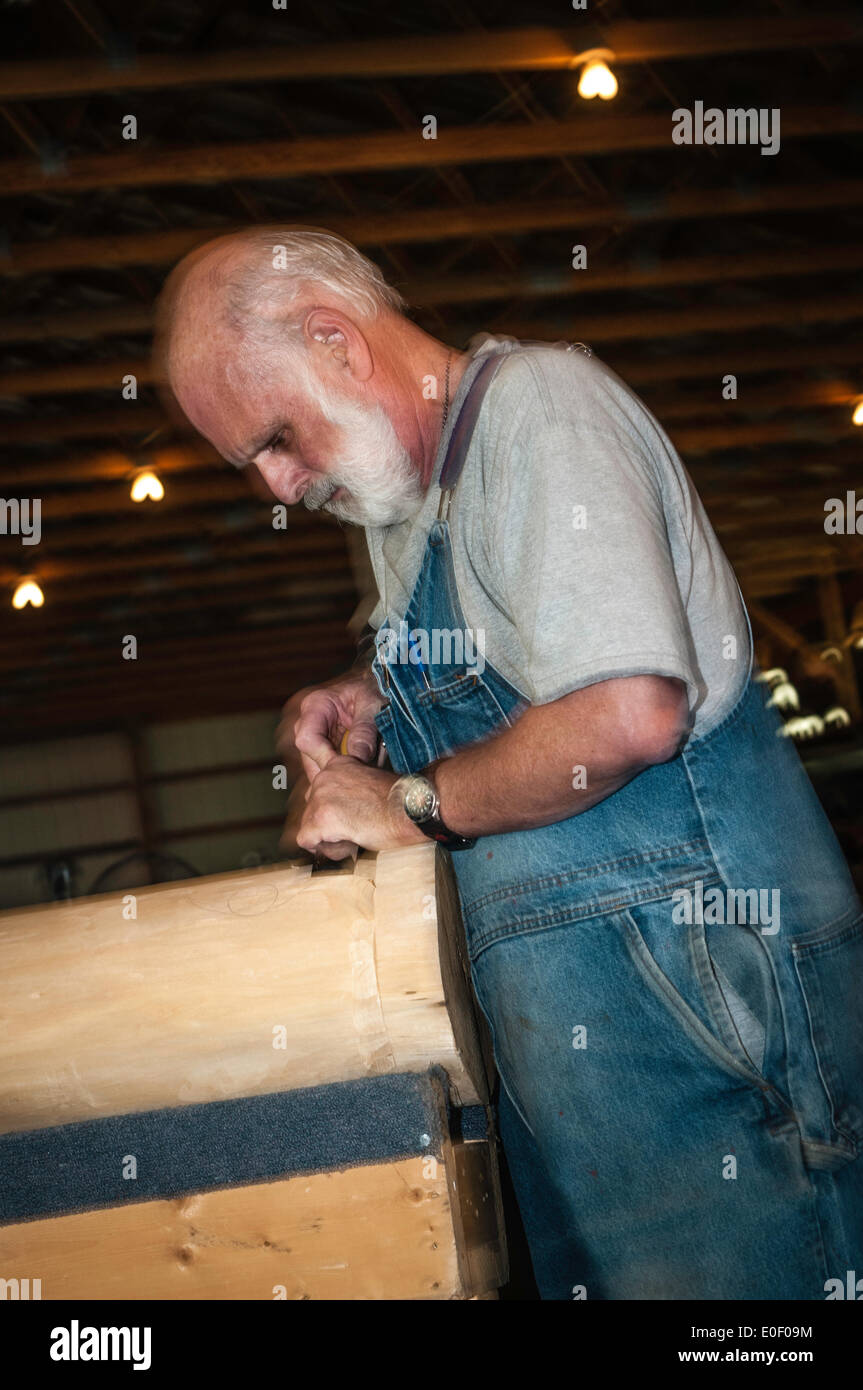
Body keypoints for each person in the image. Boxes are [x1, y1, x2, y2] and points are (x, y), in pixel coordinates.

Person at [156, 227, 863, 1300]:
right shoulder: (406, 505)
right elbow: (514, 640)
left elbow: (626, 713)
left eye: (276, 438)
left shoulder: (538, 408)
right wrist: (370, 692)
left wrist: (406, 802)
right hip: (594, 1067)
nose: (278, 484)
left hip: (709, 1020)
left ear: (335, 341)